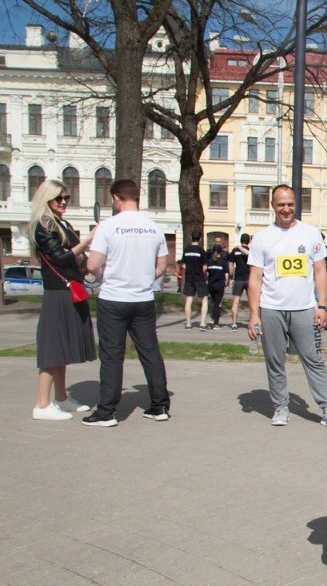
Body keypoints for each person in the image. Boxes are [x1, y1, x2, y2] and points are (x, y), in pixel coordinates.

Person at [246, 185, 327, 429]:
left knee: (313, 359)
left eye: (290, 204)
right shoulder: (261, 238)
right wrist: (253, 315)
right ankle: (280, 406)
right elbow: (255, 278)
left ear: (295, 204)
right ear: (273, 205)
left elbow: (320, 271)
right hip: (271, 309)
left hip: (304, 308)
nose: (286, 209)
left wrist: (322, 306)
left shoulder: (311, 233)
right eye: (281, 204)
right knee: (274, 360)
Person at [82, 180, 171, 426]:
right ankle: (159, 406)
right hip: (142, 298)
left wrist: (105, 276)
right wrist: (142, 278)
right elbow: (162, 266)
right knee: (150, 352)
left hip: (113, 298)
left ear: (116, 198)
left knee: (112, 356)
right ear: (137, 197)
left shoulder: (109, 226)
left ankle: (107, 412)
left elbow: (92, 264)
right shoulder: (153, 227)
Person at [28, 180, 96, 420]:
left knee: (62, 349)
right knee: (52, 349)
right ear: (47, 200)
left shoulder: (59, 223)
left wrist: (85, 265)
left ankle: (61, 398)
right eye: (59, 198)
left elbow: (72, 258)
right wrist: (87, 241)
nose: (64, 202)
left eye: (66, 197)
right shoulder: (43, 225)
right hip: (57, 293)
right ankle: (42, 404)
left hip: (68, 291)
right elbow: (61, 258)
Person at [181, 229, 208, 330]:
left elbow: (183, 265)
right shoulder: (201, 251)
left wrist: (189, 268)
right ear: (200, 239)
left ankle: (188, 323)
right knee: (204, 299)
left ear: (191, 238)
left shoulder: (186, 250)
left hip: (189, 278)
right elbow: (205, 267)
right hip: (199, 278)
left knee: (189, 300)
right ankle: (202, 323)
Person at [228, 233, 251, 331]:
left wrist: (230, 277)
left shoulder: (235, 250)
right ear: (249, 241)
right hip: (250, 279)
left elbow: (230, 266)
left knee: (236, 301)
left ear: (241, 241)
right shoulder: (251, 250)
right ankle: (252, 323)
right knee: (252, 302)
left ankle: (233, 324)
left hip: (238, 279)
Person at [206, 244, 229, 330]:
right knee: (217, 304)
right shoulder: (223, 262)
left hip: (211, 285)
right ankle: (215, 323)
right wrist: (228, 283)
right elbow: (226, 274)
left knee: (213, 303)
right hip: (220, 286)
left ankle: (212, 318)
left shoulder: (209, 261)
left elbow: (207, 273)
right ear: (220, 252)